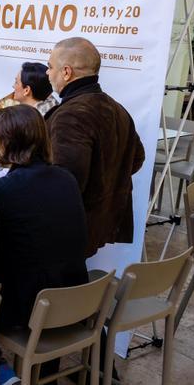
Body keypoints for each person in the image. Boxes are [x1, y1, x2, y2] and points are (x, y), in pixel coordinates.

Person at [0, 105, 89, 385]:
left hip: (27, 310)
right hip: (75, 300)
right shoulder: (66, 178)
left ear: (4, 142)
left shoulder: (0, 190)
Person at [45, 37, 144, 257]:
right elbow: (137, 158)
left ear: (66, 72)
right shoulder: (116, 108)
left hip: (72, 229)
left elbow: (66, 183)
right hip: (101, 221)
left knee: (59, 288)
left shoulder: (71, 116)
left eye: (50, 67)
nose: (47, 73)